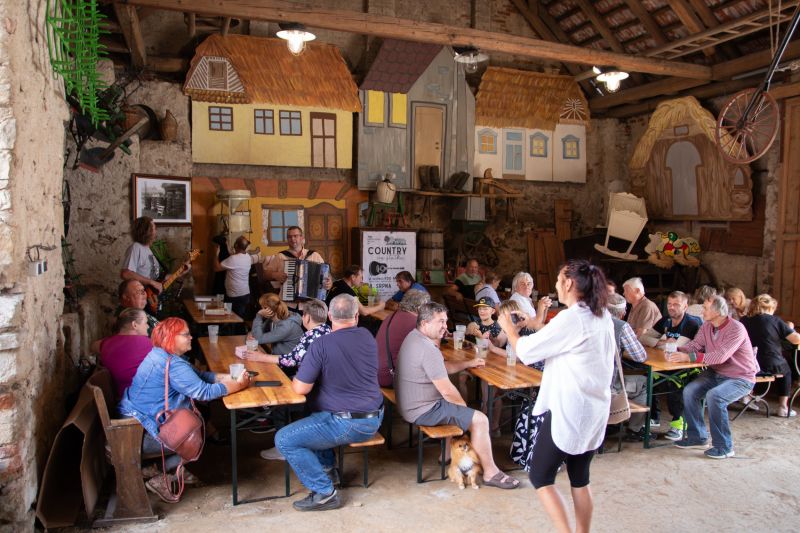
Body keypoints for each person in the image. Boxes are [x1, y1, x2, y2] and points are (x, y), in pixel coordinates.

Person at [498, 259, 614, 533]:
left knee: (540, 476)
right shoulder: (600, 315)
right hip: (594, 407)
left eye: (559, 280)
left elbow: (526, 351)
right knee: (580, 478)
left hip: (570, 409)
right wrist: (532, 323)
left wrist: (509, 329)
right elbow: (562, 337)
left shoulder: (572, 318)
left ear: (569, 283)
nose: (555, 285)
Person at [119, 317, 250, 502]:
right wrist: (239, 385)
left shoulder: (161, 354)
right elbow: (203, 392)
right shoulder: (172, 364)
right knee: (196, 435)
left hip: (134, 423)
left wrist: (228, 377)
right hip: (141, 435)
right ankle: (161, 472)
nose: (191, 337)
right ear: (171, 338)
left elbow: (200, 375)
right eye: (186, 334)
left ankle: (161, 469)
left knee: (200, 419)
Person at [274, 294, 384, 512]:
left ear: (330, 316)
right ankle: (327, 468)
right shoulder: (367, 336)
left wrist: (299, 376)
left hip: (347, 423)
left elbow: (300, 388)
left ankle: (325, 493)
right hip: (375, 416)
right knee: (315, 412)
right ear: (356, 316)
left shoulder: (321, 344)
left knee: (284, 439)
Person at [395, 302, 520, 490]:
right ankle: (491, 473)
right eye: (440, 322)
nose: (445, 326)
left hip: (409, 403)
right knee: (480, 420)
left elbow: (442, 368)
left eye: (445, 321)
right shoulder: (428, 349)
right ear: (425, 323)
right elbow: (447, 391)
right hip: (422, 409)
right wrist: (466, 416)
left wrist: (468, 364)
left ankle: (446, 454)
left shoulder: (413, 337)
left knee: (456, 403)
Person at [668, 295, 758, 459]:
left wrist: (690, 357)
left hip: (740, 377)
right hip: (716, 373)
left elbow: (720, 356)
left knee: (715, 396)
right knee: (689, 391)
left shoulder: (736, 329)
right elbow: (695, 345)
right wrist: (675, 350)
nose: (702, 311)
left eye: (705, 308)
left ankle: (724, 447)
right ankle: (697, 437)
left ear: (717, 312)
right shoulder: (707, 326)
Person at [639, 291, 703, 440]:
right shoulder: (666, 320)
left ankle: (678, 426)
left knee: (676, 383)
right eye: (669, 304)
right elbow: (643, 338)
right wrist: (663, 342)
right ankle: (653, 417)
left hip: (689, 366)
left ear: (685, 306)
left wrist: (661, 343)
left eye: (676, 304)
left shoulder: (691, 323)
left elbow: (679, 347)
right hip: (668, 363)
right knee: (649, 377)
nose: (671, 307)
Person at [741, 294, 800, 417]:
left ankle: (747, 395)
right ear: (769, 307)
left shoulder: (744, 320)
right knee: (786, 371)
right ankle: (783, 407)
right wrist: (791, 328)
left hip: (747, 364)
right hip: (769, 364)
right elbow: (795, 340)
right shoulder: (774, 320)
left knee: (761, 362)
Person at [243, 298, 331, 374]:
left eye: (303, 315)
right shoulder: (327, 330)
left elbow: (291, 360)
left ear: (307, 317)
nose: (302, 317)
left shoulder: (311, 336)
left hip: (312, 381)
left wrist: (261, 357)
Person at [606, 293, 648, 441]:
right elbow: (640, 356)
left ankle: (612, 423)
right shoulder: (621, 326)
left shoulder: (588, 321)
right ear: (623, 313)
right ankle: (634, 429)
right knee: (643, 383)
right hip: (609, 387)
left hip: (584, 384)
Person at [261, 225, 332, 312]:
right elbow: (264, 275)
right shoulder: (280, 256)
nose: (292, 239)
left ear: (302, 238)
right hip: (288, 305)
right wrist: (274, 275)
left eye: (295, 236)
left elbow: (326, 275)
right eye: (289, 237)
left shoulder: (314, 255)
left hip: (311, 305)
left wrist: (329, 282)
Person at [376, 289, 430, 387]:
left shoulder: (391, 316)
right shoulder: (415, 322)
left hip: (376, 372)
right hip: (389, 376)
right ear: (419, 308)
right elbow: (431, 345)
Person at [98, 308, 152, 399]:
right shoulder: (147, 343)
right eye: (146, 322)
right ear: (135, 325)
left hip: (123, 399)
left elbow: (93, 346)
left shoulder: (106, 343)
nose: (148, 326)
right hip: (146, 401)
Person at [213, 235, 260, 319]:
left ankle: (235, 327)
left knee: (232, 318)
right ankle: (239, 326)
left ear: (236, 245)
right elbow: (236, 257)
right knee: (239, 318)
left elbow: (216, 268)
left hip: (234, 295)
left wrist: (215, 254)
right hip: (245, 294)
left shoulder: (233, 259)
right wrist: (228, 247)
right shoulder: (247, 257)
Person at [120, 216, 163, 293]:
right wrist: (151, 282)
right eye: (154, 229)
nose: (155, 232)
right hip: (139, 294)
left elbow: (155, 277)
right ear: (147, 232)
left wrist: (179, 273)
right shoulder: (136, 247)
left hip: (150, 296)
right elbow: (126, 273)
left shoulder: (148, 249)